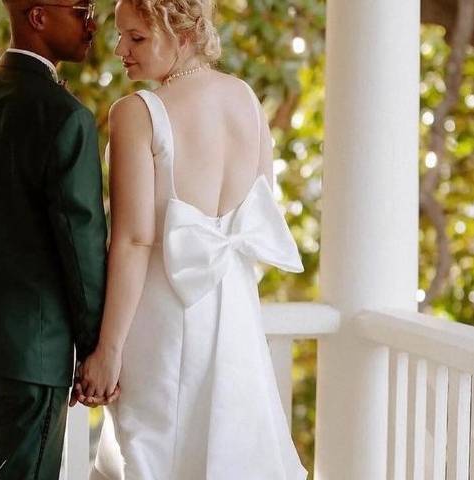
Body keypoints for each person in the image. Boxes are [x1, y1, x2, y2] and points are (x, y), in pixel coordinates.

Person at [75, 0, 309, 477]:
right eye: (120, 35)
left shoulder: (137, 113)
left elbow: (135, 240)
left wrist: (109, 349)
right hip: (235, 319)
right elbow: (257, 213)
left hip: (161, 321)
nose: (120, 49)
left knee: (154, 456)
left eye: (136, 37)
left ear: (183, 34)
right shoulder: (246, 99)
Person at [0, 0, 117, 477]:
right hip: (36, 346)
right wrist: (95, 346)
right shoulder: (65, 115)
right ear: (38, 17)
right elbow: (82, 245)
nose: (92, 22)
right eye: (81, 9)